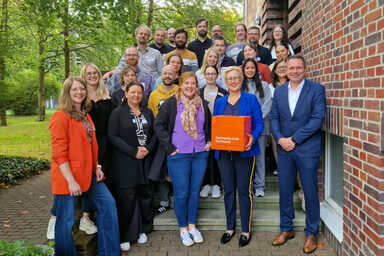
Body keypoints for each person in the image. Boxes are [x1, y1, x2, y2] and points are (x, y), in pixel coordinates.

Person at [49, 76, 120, 256]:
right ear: (67, 93)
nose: (79, 92)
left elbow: (89, 145)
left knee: (108, 205)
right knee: (65, 221)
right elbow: (59, 153)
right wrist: (71, 181)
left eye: (82, 89)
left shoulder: (85, 115)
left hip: (89, 173)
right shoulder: (60, 117)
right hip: (68, 178)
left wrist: (96, 166)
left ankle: (109, 253)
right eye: (74, 89)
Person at [269, 55, 326, 254]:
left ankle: (311, 232)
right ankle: (286, 229)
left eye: (298, 68)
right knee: (284, 190)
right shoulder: (278, 91)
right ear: (286, 69)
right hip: (284, 149)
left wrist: (293, 139)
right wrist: (280, 139)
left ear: (304, 69)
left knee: (310, 191)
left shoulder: (317, 89)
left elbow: (317, 119)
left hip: (306, 148)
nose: (294, 71)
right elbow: (273, 117)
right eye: (291, 67)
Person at [152, 72, 212, 247]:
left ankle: (192, 226)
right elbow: (158, 125)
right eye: (186, 83)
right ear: (180, 84)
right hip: (178, 155)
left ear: (196, 86)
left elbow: (208, 126)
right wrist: (169, 148)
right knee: (181, 192)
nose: (190, 87)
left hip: (200, 154)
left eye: (193, 83)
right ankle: (183, 229)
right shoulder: (171, 103)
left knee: (194, 192)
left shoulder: (203, 104)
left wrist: (209, 141)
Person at [213, 66, 264, 247]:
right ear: (225, 82)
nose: (233, 81)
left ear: (241, 80)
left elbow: (259, 124)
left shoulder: (250, 99)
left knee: (244, 191)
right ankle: (229, 228)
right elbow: (215, 126)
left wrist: (253, 137)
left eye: (236, 78)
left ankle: (245, 230)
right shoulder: (220, 102)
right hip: (224, 154)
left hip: (245, 153)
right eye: (230, 79)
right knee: (228, 190)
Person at [108, 81, 157, 252]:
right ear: (126, 93)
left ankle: (144, 228)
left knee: (146, 193)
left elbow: (155, 134)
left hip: (145, 160)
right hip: (126, 161)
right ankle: (126, 234)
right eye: (133, 92)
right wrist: (133, 151)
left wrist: (147, 149)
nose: (136, 95)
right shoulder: (117, 113)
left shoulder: (148, 112)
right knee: (127, 198)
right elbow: (113, 136)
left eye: (139, 92)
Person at [148, 65, 179, 215]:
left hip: (178, 136)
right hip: (160, 136)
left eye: (170, 73)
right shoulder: (154, 94)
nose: (167, 76)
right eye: (165, 73)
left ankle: (178, 198)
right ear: (161, 75)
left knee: (176, 168)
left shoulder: (179, 92)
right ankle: (164, 201)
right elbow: (150, 115)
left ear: (176, 76)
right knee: (161, 168)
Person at [241, 58, 272, 197]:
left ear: (256, 69)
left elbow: (267, 105)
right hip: (243, 129)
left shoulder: (264, 85)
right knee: (246, 158)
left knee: (259, 158)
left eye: (252, 67)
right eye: (247, 68)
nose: (249, 70)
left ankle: (260, 186)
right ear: (243, 69)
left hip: (261, 128)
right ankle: (249, 185)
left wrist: (256, 121)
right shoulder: (240, 86)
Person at [199, 65, 227, 199]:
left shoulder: (223, 91)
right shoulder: (198, 92)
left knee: (216, 157)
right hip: (202, 129)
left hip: (219, 128)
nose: (210, 76)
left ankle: (216, 184)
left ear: (217, 75)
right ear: (204, 75)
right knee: (204, 156)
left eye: (213, 74)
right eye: (208, 74)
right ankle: (205, 184)